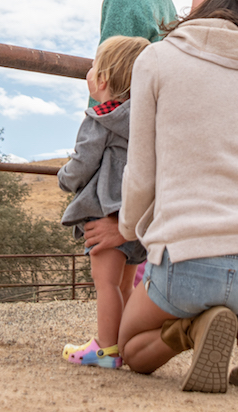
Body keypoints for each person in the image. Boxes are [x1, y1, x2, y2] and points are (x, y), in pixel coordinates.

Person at [84, 0, 238, 392]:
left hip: (197, 264)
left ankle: (196, 329)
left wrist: (125, 229)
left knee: (132, 345)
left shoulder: (158, 60)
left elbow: (141, 173)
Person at [59, 35, 151, 369]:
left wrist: (64, 178)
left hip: (104, 213)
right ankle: (122, 345)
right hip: (134, 217)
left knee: (105, 284)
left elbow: (83, 164)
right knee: (125, 285)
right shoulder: (144, 120)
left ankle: (106, 348)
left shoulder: (99, 119)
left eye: (94, 65)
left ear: (102, 80)